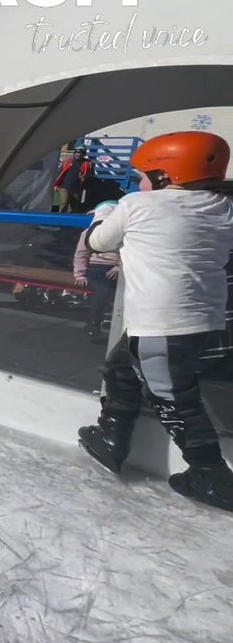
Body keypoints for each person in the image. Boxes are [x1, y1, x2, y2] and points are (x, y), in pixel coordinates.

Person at [80, 130, 233, 512]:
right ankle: (112, 436)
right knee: (120, 367)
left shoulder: (136, 206)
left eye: (142, 176)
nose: (138, 183)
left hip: (160, 325)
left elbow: (98, 242)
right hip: (206, 322)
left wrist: (103, 214)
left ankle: (211, 476)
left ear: (165, 176)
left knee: (175, 401)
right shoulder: (222, 206)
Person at [73, 200, 122, 342]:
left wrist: (119, 266)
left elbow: (129, 253)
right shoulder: (88, 233)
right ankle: (95, 321)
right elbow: (81, 254)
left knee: (106, 290)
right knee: (103, 290)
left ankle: (96, 321)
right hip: (96, 267)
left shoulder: (123, 233)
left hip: (116, 268)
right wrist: (79, 273)